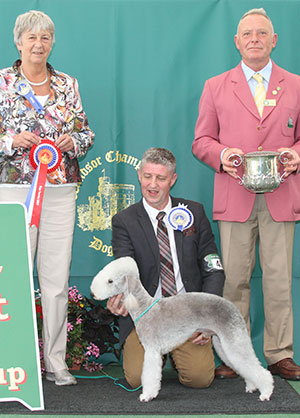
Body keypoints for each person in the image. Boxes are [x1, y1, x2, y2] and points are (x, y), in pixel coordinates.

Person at [192, 8, 300, 380]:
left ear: (274, 41)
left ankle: (279, 353)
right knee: (234, 279)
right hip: (234, 197)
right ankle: (233, 354)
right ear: (236, 42)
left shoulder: (297, 84)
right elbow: (201, 141)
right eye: (247, 34)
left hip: (281, 196)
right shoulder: (215, 85)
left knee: (278, 279)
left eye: (261, 33)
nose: (254, 39)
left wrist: (296, 154)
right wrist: (223, 155)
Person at [0, 10, 94, 385]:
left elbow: (86, 133)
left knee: (55, 279)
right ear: (18, 42)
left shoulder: (68, 84)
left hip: (60, 189)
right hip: (13, 189)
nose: (38, 44)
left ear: (52, 42)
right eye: (31, 37)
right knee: (12, 278)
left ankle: (56, 361)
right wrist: (10, 141)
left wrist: (75, 141)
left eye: (45, 38)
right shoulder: (3, 82)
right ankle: (12, 358)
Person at [107, 147, 225, 389]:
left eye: (161, 178)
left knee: (200, 379)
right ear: (139, 175)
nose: (153, 184)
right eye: (148, 176)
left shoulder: (194, 212)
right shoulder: (124, 221)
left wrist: (206, 315)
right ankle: (157, 355)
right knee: (137, 380)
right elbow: (125, 268)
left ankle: (175, 353)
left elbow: (213, 268)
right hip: (145, 315)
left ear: (173, 179)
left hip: (187, 314)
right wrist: (120, 297)